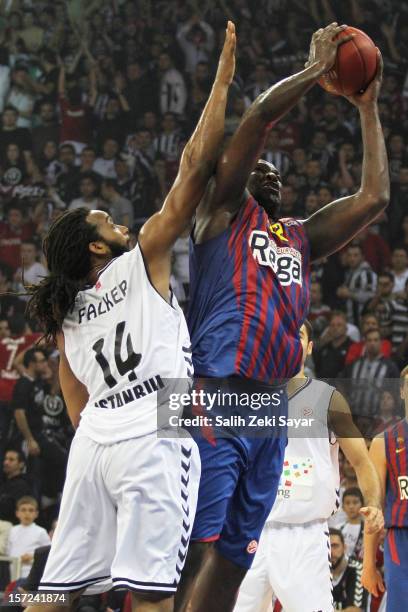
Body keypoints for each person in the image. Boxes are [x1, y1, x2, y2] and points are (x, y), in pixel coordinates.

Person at [24, 23, 236, 612]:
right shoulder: (143, 255)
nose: (118, 224)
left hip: (95, 441)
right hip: (152, 424)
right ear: (97, 249)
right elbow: (193, 168)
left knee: (54, 593)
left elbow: (73, 401)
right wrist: (221, 82)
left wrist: (105, 438)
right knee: (150, 595)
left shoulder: (65, 311)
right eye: (105, 224)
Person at [180, 23, 389, 612]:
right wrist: (314, 69)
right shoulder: (219, 216)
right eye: (256, 167)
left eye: (277, 169)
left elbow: (373, 199)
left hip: (272, 406)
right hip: (218, 393)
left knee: (233, 565)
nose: (270, 169)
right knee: (204, 551)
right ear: (230, 176)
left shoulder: (296, 237)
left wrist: (367, 108)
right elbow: (256, 122)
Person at [234, 322, 383, 612]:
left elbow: (362, 462)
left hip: (303, 535)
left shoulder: (328, 399)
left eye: (298, 336)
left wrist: (374, 503)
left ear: (310, 347)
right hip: (251, 533)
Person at [362, 364, 408, 611]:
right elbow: (373, 508)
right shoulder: (382, 442)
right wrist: (369, 564)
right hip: (400, 539)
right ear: (402, 391)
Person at [7, 496, 50, 579]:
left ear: (36, 514)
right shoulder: (12, 530)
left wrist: (32, 556)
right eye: (23, 510)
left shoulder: (41, 531)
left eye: (31, 510)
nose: (27, 513)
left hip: (31, 573)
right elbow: (8, 551)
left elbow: (48, 553)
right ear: (17, 513)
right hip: (13, 571)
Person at [330, 528, 368, 611]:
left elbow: (356, 610)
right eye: (327, 547)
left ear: (344, 547)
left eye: (335, 546)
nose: (331, 552)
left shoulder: (358, 568)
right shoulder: (318, 570)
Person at [0, 450, 33, 524]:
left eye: (11, 460)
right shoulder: (3, 481)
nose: (6, 462)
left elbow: (8, 508)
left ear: (21, 464)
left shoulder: (22, 485)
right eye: (6, 459)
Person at [340, 487, 365, 560]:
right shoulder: (338, 528)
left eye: (355, 502)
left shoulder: (367, 530)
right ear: (343, 507)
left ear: (362, 505)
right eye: (347, 503)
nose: (351, 506)